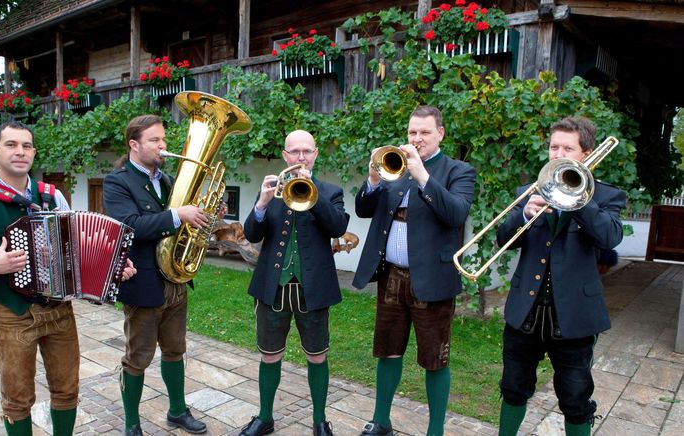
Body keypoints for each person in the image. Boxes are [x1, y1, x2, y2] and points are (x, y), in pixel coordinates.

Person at [0, 120, 135, 435]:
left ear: (33, 152)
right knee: (17, 400)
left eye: (26, 146)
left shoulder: (52, 197)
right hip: (12, 315)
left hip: (60, 313)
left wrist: (113, 268)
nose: (20, 152)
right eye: (11, 145)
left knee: (67, 391)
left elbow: (76, 247)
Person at [496, 117, 626, 436]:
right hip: (525, 312)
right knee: (513, 388)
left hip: (574, 318)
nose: (558, 153)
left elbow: (610, 237)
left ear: (586, 153)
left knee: (576, 399)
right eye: (554, 146)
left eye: (567, 148)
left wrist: (578, 200)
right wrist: (523, 214)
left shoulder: (605, 196)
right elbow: (502, 238)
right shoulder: (529, 192)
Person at [352, 106, 476, 436]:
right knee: (388, 350)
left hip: (432, 280)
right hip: (391, 277)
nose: (416, 139)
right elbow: (363, 210)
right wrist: (374, 180)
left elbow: (456, 214)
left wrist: (423, 175)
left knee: (435, 359)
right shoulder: (395, 167)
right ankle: (381, 421)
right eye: (412, 133)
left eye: (423, 132)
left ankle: (435, 430)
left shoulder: (458, 171)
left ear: (440, 134)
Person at [103, 114, 212, 436]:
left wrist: (204, 214)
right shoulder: (117, 182)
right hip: (143, 284)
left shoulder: (166, 181)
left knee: (176, 349)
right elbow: (130, 227)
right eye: (155, 140)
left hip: (174, 280)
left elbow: (180, 226)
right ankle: (131, 423)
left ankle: (177, 411)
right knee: (138, 358)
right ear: (134, 144)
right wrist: (177, 215)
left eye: (164, 140)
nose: (163, 146)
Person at [239, 130, 349, 436]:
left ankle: (319, 420)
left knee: (317, 355)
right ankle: (264, 417)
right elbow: (251, 234)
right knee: (270, 354)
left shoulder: (330, 191)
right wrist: (261, 204)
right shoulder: (272, 192)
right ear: (285, 156)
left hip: (312, 289)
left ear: (315, 154)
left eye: (307, 151)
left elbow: (338, 225)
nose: (301, 157)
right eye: (295, 152)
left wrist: (312, 192)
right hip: (273, 287)